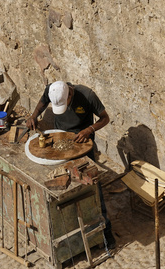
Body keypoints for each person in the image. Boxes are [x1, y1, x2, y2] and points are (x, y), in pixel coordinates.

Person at [26, 81, 116, 249]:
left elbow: (105, 118)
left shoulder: (87, 95)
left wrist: (89, 129)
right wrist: (33, 116)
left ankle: (105, 231)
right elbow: (42, 102)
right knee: (64, 186)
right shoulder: (53, 89)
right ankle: (69, 230)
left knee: (92, 186)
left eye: (65, 104)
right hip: (60, 139)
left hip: (83, 142)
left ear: (70, 94)